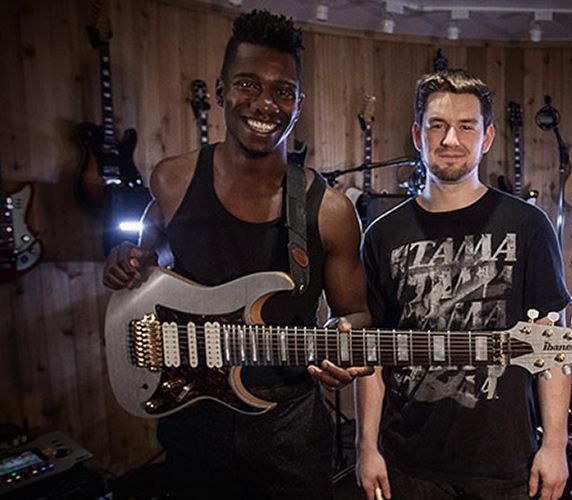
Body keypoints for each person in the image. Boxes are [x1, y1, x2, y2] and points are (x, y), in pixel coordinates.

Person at [102, 9, 371, 498]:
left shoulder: (329, 211)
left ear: (298, 102)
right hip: (192, 422)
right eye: (248, 84)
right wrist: (127, 261)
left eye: (283, 90)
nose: (265, 103)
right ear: (222, 87)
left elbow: (355, 312)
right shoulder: (172, 181)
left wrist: (345, 344)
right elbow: (145, 258)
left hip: (290, 426)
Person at [355, 69, 572, 500]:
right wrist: (366, 446)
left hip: (505, 463)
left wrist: (555, 445)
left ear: (487, 136)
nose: (450, 139)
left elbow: (554, 344)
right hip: (410, 462)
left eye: (466, 126)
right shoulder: (381, 235)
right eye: (437, 125)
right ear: (417, 134)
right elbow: (371, 352)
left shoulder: (528, 226)